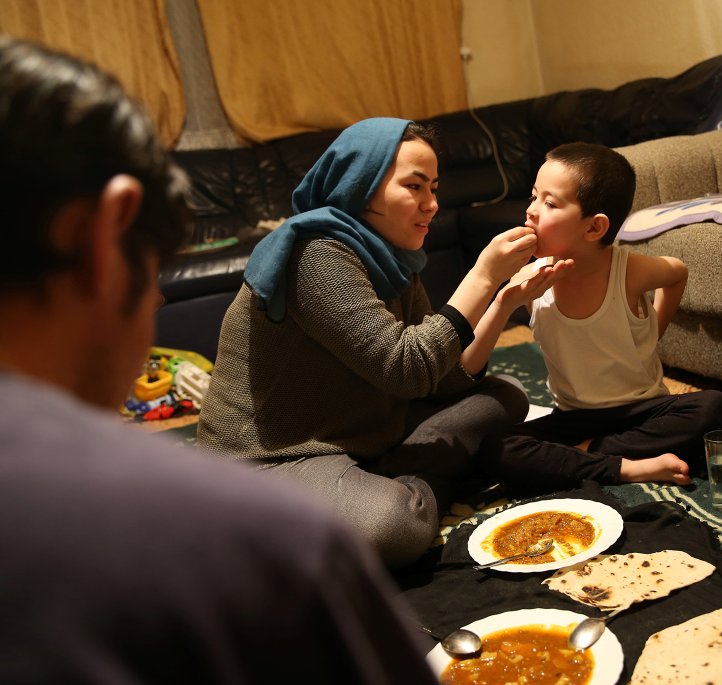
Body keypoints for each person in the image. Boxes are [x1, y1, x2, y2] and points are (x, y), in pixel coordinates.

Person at [0, 36, 438, 683]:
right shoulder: (263, 548)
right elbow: (404, 363)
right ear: (101, 235)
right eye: (153, 268)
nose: (154, 296)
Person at [197, 117, 570, 567]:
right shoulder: (315, 253)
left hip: (364, 427)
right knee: (394, 526)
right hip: (275, 458)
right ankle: (404, 481)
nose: (431, 204)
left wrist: (503, 302)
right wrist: (483, 275)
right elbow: (406, 367)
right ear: (361, 186)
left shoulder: (392, 258)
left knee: (505, 396)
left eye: (433, 187)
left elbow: (440, 379)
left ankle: (388, 471)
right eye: (414, 187)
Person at [491, 142, 722, 493]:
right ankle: (628, 467)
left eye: (549, 203)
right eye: (533, 197)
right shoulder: (532, 280)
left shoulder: (629, 270)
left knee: (715, 407)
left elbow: (677, 273)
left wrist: (653, 332)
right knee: (492, 445)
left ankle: (585, 456)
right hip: (572, 418)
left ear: (594, 228)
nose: (531, 211)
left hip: (643, 410)